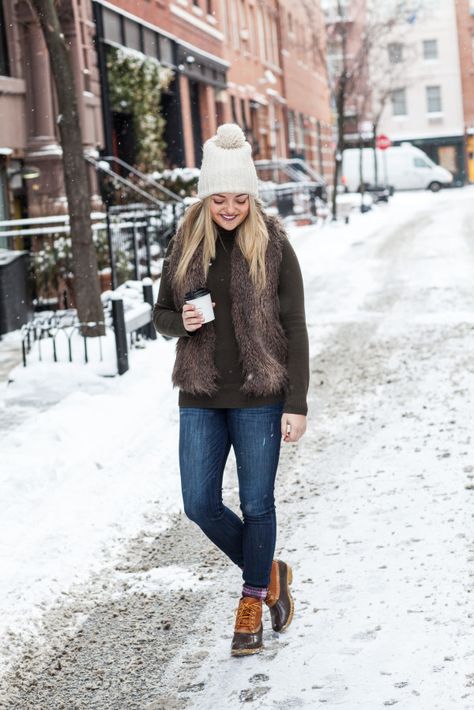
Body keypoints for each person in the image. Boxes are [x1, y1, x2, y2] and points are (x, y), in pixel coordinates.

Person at [153, 123, 309, 656]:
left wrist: (297, 402)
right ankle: (270, 571)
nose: (229, 208)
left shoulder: (273, 243)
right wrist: (184, 322)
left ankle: (251, 599)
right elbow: (160, 316)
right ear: (205, 196)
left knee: (257, 503)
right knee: (199, 503)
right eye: (219, 198)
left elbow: (296, 326)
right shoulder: (186, 241)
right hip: (200, 392)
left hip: (259, 392)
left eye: (240, 198)